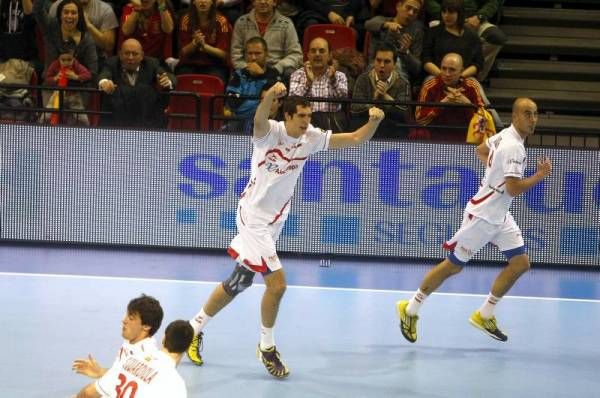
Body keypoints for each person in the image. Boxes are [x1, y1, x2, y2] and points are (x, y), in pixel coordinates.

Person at [186, 82, 385, 378]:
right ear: (288, 116)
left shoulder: (312, 137)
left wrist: (374, 122)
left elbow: (356, 139)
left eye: (309, 115)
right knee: (277, 286)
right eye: (302, 116)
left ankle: (192, 329)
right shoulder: (270, 134)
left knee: (239, 281)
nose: (307, 121)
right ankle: (266, 347)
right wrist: (269, 97)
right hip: (253, 217)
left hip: (275, 220)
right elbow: (258, 119)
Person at [397, 97, 552, 343]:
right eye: (527, 114)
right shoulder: (514, 147)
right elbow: (513, 188)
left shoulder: (503, 136)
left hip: (500, 216)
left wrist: (493, 176)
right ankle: (410, 309)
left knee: (520, 263)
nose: (532, 119)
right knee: (453, 266)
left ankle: (485, 314)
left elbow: (481, 150)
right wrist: (540, 175)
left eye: (535, 114)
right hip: (482, 217)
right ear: (514, 117)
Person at [72, 294, 164, 397]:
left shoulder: (144, 356)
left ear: (146, 326)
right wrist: (100, 371)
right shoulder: (132, 341)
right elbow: (121, 374)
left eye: (131, 318)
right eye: (126, 315)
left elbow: (88, 393)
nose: (124, 321)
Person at [97, 38, 176, 128]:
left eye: (135, 54)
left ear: (142, 55)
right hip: (117, 120)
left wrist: (167, 80)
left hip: (146, 119)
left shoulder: (151, 63)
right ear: (120, 54)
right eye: (127, 53)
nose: (130, 57)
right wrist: (104, 82)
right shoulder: (111, 63)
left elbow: (168, 76)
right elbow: (104, 74)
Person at [425, 0, 506, 82]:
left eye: (448, 12)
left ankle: (476, 76)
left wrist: (479, 16)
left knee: (497, 37)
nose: (446, 15)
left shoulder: (472, 35)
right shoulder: (433, 31)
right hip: (440, 19)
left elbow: (493, 1)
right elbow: (426, 59)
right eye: (444, 12)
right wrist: (447, 12)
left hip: (475, 19)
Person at [414, 52, 484, 141]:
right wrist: (441, 105)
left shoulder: (472, 87)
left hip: (467, 138)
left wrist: (468, 105)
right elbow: (419, 120)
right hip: (436, 138)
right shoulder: (429, 86)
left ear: (461, 71)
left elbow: (483, 122)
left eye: (452, 69)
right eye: (444, 68)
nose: (447, 74)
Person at [230, 0, 302, 82]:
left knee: (290, 73)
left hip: (277, 71)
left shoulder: (286, 24)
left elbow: (296, 54)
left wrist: (278, 68)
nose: (263, 2)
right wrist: (247, 68)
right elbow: (235, 55)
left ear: (274, 2)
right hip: (248, 70)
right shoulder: (241, 23)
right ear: (253, 2)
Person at [351, 42, 410, 139]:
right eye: (378, 60)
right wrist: (374, 101)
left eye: (387, 61)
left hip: (391, 129)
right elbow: (354, 108)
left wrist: (385, 97)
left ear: (394, 64)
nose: (381, 65)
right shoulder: (363, 79)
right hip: (366, 126)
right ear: (374, 61)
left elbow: (404, 113)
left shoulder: (403, 83)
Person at [289, 36, 348, 132]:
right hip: (305, 122)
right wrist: (308, 83)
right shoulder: (297, 75)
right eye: (313, 51)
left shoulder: (339, 76)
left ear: (329, 55)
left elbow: (342, 99)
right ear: (307, 55)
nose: (317, 54)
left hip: (331, 122)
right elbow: (292, 103)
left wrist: (333, 80)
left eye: (321, 51)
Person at [225, 36, 281, 132]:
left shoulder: (274, 75)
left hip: (266, 125)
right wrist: (261, 103)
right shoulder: (238, 75)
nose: (253, 58)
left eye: (257, 53)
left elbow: (272, 110)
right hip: (240, 123)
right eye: (250, 53)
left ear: (266, 54)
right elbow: (233, 104)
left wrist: (261, 76)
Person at [364, 0, 424, 86]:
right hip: (375, 67)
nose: (411, 13)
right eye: (408, 8)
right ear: (398, 6)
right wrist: (387, 25)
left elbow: (417, 68)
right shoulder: (382, 21)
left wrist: (406, 52)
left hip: (400, 75)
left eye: (415, 11)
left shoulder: (416, 32)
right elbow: (367, 24)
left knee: (397, 65)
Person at [33, 0, 98, 76]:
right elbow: (37, 10)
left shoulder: (86, 40)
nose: (69, 16)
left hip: (77, 85)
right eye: (66, 12)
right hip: (51, 84)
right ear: (60, 15)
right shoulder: (50, 28)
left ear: (79, 16)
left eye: (73, 13)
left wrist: (77, 77)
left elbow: (93, 72)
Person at [48, 0, 119, 67]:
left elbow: (108, 46)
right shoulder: (57, 6)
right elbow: (49, 37)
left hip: (96, 61)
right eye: (66, 12)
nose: (69, 15)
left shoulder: (104, 9)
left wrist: (89, 25)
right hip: (61, 61)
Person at [176, 0, 232, 83]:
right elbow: (183, 52)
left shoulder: (221, 21)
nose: (203, 1)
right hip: (190, 63)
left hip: (215, 65)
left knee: (216, 80)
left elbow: (224, 54)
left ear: (212, 2)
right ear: (194, 2)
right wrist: (194, 43)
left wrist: (204, 46)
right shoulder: (186, 19)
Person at [42, 39, 92, 125]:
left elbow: (88, 75)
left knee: (84, 120)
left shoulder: (76, 65)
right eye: (63, 60)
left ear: (73, 58)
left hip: (73, 96)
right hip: (58, 94)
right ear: (59, 59)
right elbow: (47, 79)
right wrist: (55, 78)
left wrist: (76, 77)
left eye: (69, 60)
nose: (66, 62)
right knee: (46, 117)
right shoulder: (55, 64)